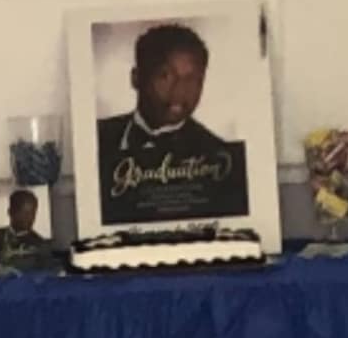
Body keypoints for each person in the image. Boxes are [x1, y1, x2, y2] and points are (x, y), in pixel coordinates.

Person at [94, 22, 251, 229]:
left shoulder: (220, 158)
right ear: (136, 78)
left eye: (192, 79)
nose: (180, 90)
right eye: (165, 76)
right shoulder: (96, 138)